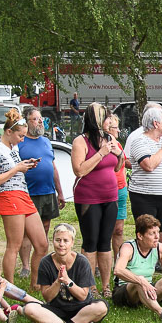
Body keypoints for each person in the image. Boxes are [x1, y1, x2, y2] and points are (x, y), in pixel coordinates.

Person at [0, 107, 49, 291]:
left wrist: (26, 165)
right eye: (20, 136)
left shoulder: (12, 147)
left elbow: (15, 169)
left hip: (24, 194)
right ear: (8, 132)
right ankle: (9, 287)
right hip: (9, 195)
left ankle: (35, 284)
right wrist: (17, 169)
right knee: (14, 244)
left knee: (42, 244)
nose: (22, 139)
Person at [70, 103, 120, 298]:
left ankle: (106, 286)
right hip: (88, 198)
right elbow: (79, 170)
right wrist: (101, 153)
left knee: (105, 242)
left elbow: (117, 167)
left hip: (110, 196)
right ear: (97, 120)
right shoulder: (80, 142)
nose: (110, 121)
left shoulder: (109, 139)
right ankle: (89, 286)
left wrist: (117, 154)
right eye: (106, 117)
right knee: (91, 242)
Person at [126, 105, 162, 273]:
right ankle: (142, 273)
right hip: (143, 196)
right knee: (147, 237)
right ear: (156, 123)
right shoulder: (139, 142)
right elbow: (148, 165)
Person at [23, 223, 108, 323]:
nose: (61, 244)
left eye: (65, 241)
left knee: (101, 307)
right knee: (29, 309)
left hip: (81, 308)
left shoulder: (82, 262)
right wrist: (58, 281)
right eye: (58, 240)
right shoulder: (45, 262)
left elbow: (83, 296)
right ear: (53, 241)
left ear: (72, 243)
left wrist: (68, 281)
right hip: (56, 309)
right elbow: (47, 297)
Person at [18, 107, 64, 276]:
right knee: (26, 231)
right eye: (35, 119)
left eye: (41, 119)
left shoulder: (45, 141)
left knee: (44, 227)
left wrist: (60, 191)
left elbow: (53, 166)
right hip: (29, 192)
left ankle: (41, 263)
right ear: (27, 122)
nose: (39, 122)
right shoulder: (20, 142)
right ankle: (25, 266)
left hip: (47, 191)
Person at [106, 114, 129, 257]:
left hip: (121, 189)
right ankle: (99, 263)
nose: (118, 131)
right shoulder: (104, 145)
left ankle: (118, 262)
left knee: (119, 229)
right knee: (106, 229)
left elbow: (123, 164)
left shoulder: (118, 144)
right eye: (115, 127)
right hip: (108, 190)